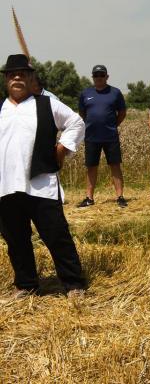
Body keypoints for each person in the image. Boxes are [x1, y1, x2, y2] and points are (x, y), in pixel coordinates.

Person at [0, 54, 86, 295]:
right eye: (12, 74)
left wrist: (63, 147)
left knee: (56, 235)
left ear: (31, 79)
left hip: (41, 183)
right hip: (6, 185)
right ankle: (26, 284)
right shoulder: (1, 109)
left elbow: (76, 122)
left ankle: (73, 283)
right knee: (16, 239)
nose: (17, 77)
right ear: (7, 79)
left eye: (23, 74)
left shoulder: (46, 104)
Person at [77, 64, 127, 208]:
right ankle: (89, 198)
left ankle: (120, 197)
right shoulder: (85, 93)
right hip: (91, 136)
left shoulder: (115, 93)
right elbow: (82, 113)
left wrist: (113, 125)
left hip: (110, 136)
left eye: (101, 75)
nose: (99, 78)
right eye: (96, 75)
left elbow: (122, 113)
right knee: (91, 167)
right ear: (92, 77)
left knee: (115, 165)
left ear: (107, 76)